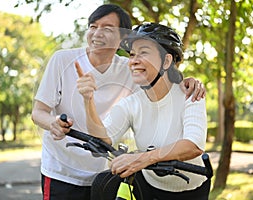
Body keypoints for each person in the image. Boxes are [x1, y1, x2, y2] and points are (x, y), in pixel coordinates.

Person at [31, 4, 205, 200]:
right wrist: (57, 119)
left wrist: (188, 81)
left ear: (122, 37)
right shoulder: (62, 60)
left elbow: (163, 80)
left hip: (106, 170)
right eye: (93, 26)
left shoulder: (128, 69)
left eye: (107, 28)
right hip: (63, 170)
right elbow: (38, 112)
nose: (97, 33)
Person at [74, 22, 210, 200]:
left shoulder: (190, 95)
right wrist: (88, 99)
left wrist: (142, 158)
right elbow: (103, 139)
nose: (133, 61)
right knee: (103, 184)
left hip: (191, 191)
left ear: (167, 61)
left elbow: (193, 145)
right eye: (131, 54)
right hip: (148, 187)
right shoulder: (131, 103)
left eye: (143, 52)